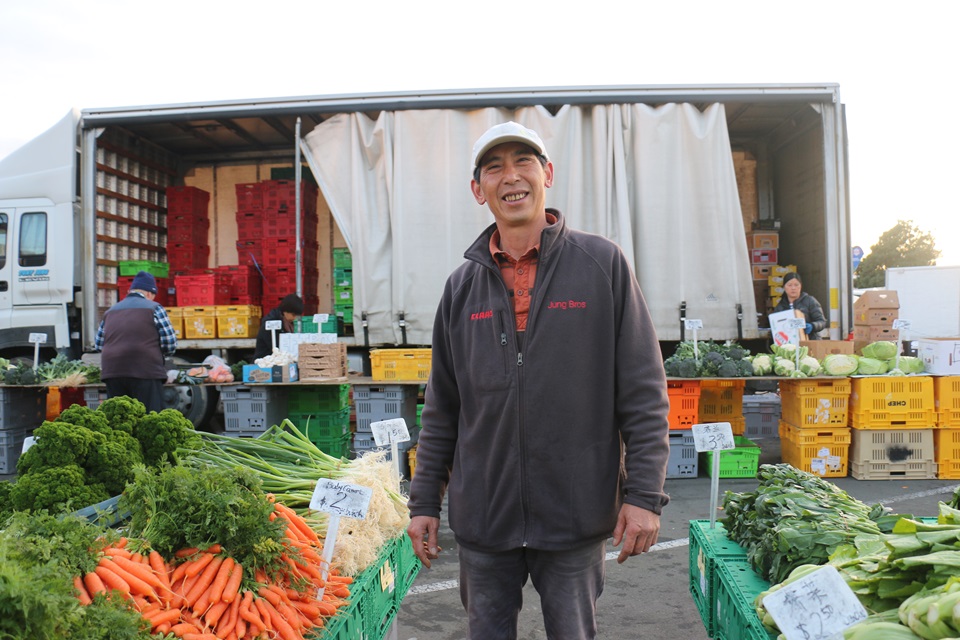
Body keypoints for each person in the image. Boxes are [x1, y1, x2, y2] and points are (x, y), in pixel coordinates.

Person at [406, 121, 671, 640]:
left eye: (523, 161)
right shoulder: (460, 288)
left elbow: (643, 392)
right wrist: (423, 503)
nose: (511, 177)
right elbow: (443, 407)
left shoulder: (601, 265)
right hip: (485, 517)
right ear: (478, 190)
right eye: (494, 167)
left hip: (573, 512)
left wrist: (644, 495)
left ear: (547, 173)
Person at [94, 270, 176, 412]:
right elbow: (169, 342)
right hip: (145, 371)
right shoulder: (154, 308)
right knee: (150, 417)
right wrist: (163, 355)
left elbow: (99, 344)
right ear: (149, 293)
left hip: (113, 372)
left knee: (120, 417)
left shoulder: (110, 311)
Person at [773, 272, 826, 340]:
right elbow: (776, 326)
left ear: (801, 286)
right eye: (789, 285)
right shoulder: (780, 306)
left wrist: (812, 326)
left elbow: (822, 321)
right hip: (790, 345)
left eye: (796, 285)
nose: (793, 288)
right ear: (784, 287)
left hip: (810, 342)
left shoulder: (810, 301)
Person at [254, 293, 304, 359]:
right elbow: (276, 347)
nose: (295, 318)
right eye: (293, 315)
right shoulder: (271, 323)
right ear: (285, 311)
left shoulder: (287, 322)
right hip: (265, 362)